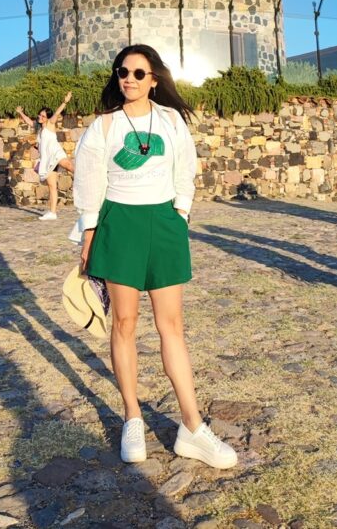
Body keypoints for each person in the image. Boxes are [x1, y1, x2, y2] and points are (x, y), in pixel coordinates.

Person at [70, 43, 236, 470]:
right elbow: (89, 182)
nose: (128, 78)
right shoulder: (103, 127)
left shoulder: (170, 121)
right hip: (119, 225)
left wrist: (179, 214)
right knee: (124, 323)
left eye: (138, 73)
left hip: (163, 223)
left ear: (154, 79)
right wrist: (90, 234)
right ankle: (132, 417)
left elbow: (186, 170)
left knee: (172, 326)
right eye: (122, 72)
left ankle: (192, 427)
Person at [16, 89, 75, 219]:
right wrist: (20, 112)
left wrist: (65, 102)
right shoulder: (38, 128)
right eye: (39, 115)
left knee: (68, 165)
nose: (40, 117)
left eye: (43, 116)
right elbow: (28, 121)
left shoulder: (50, 124)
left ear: (47, 118)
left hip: (55, 153)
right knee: (52, 185)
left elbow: (57, 112)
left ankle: (86, 177)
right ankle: (53, 213)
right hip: (47, 160)